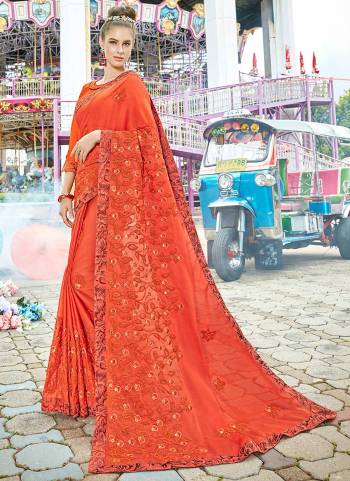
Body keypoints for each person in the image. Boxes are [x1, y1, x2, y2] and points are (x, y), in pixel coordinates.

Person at [41, 5, 336, 475]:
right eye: (113, 44)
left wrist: (102, 136)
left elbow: (148, 146)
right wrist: (65, 190)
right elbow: (75, 145)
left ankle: (123, 388)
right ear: (100, 45)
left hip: (123, 207)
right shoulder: (86, 90)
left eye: (127, 45)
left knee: (113, 294)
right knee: (79, 285)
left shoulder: (133, 87)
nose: (120, 52)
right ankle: (90, 387)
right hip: (90, 199)